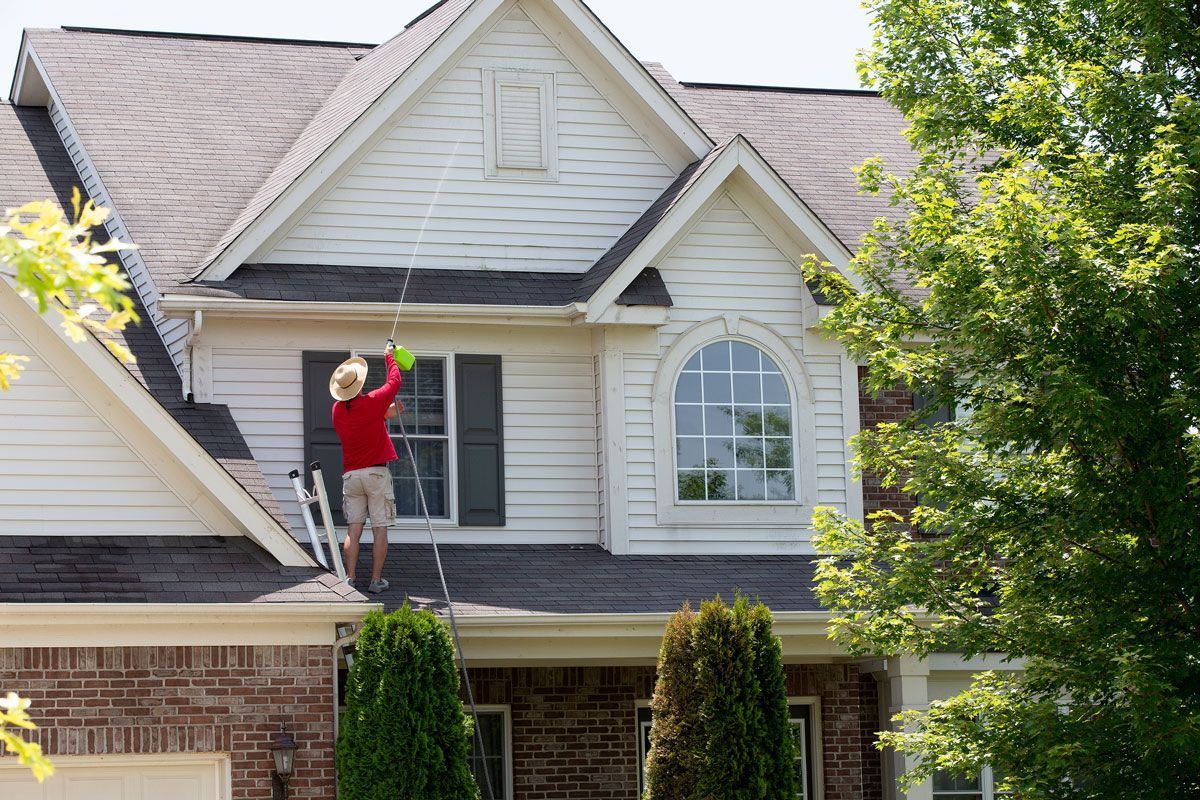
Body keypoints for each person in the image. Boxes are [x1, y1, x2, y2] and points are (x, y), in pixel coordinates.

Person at [328, 341, 403, 593]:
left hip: (351, 476)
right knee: (379, 527)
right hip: (376, 473)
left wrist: (384, 414)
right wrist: (389, 357)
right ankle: (375, 580)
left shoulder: (337, 411)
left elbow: (363, 419)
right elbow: (394, 382)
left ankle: (349, 578)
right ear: (358, 383)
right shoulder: (371, 401)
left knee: (354, 528)